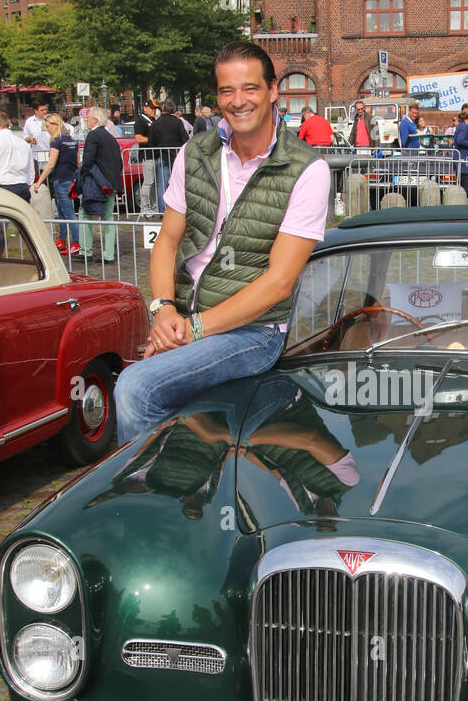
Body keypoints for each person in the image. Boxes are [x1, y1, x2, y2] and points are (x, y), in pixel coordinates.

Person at [113, 39, 331, 443]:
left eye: (250, 88)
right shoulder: (195, 152)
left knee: (137, 387)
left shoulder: (307, 169)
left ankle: (154, 493)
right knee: (148, 391)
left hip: (253, 331)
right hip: (184, 316)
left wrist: (191, 331)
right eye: (227, 90)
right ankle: (185, 470)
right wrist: (162, 311)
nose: (238, 100)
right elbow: (168, 240)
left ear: (272, 90)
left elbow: (279, 283)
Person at [77, 106, 123, 262]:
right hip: (112, 183)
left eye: (88, 118)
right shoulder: (111, 137)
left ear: (95, 120)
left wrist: (82, 177)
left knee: (84, 215)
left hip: (97, 183)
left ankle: (85, 251)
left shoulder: (93, 136)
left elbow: (88, 161)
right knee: (108, 217)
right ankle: (109, 254)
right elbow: (119, 161)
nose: (86, 120)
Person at [33, 114, 80, 253]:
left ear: (56, 125)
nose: (47, 130)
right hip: (70, 178)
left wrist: (39, 182)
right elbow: (78, 162)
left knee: (68, 212)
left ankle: (76, 242)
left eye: (48, 126)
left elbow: (50, 164)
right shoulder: (72, 140)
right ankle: (61, 239)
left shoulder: (57, 141)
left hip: (61, 179)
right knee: (62, 211)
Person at [0, 110, 34, 200]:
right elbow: (30, 168)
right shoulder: (22, 142)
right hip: (22, 185)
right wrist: (29, 183)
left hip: (4, 185)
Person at [149, 100, 190, 215]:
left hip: (162, 156)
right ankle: (180, 210)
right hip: (176, 156)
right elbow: (185, 139)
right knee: (179, 183)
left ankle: (163, 211)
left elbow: (151, 142)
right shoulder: (177, 122)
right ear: (173, 110)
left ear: (162, 109)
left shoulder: (156, 123)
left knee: (162, 184)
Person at [135, 99, 158, 217]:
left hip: (155, 155)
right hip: (147, 155)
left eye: (155, 108)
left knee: (154, 183)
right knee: (148, 182)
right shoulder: (141, 121)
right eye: (152, 108)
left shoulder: (153, 120)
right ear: (145, 108)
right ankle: (145, 207)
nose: (154, 110)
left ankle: (153, 207)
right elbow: (138, 138)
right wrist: (152, 140)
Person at [452, 106, 468, 200]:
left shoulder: (463, 126)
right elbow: (460, 140)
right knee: (466, 188)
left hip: (464, 162)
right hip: (464, 162)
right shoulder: (463, 127)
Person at [23, 101, 50, 175]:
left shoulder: (51, 119)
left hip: (51, 153)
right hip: (37, 155)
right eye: (42, 110)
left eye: (45, 109)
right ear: (35, 111)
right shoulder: (29, 121)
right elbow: (25, 137)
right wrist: (30, 139)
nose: (45, 112)